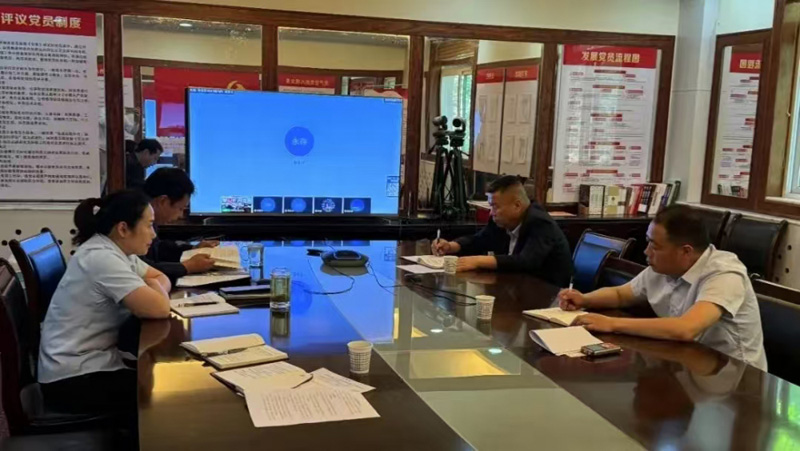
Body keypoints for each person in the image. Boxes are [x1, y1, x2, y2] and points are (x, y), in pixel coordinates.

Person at [559, 205, 767, 371]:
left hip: (734, 379)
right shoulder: (664, 266)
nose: (646, 251)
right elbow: (621, 294)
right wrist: (584, 299)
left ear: (685, 251)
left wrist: (611, 323)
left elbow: (686, 328)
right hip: (685, 364)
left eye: (654, 246)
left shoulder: (724, 274)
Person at [38, 190, 172, 417]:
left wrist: (153, 286)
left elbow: (161, 278)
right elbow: (159, 308)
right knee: (161, 394)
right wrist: (153, 287)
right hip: (71, 379)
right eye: (149, 225)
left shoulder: (118, 250)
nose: (154, 234)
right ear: (123, 229)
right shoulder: (102, 258)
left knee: (158, 380)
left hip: (88, 363)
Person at [431, 175, 572, 286]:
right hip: (515, 287)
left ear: (517, 205)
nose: (491, 213)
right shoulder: (502, 221)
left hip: (548, 295)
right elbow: (480, 239)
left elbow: (525, 261)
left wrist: (478, 261)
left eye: (495, 207)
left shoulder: (540, 222)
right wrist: (451, 246)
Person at [142, 167, 218, 282]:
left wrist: (193, 248)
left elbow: (158, 248)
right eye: (180, 208)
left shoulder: (148, 217)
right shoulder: (135, 219)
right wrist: (187, 267)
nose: (180, 216)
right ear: (163, 201)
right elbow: (142, 268)